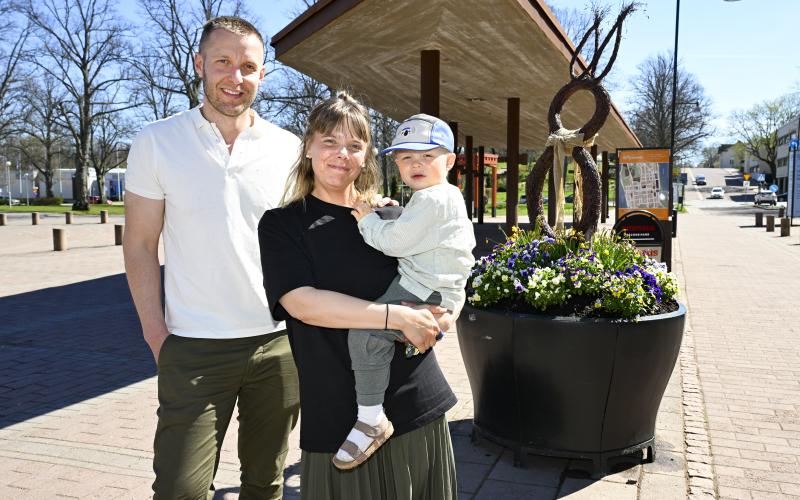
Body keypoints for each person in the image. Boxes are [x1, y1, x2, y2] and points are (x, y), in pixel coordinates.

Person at [122, 16, 300, 499]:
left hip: (278, 345)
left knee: (264, 485)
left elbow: (317, 234)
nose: (234, 76)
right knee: (180, 489)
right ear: (200, 63)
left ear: (262, 74)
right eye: (222, 61)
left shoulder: (290, 149)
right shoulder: (157, 141)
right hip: (194, 347)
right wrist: (155, 333)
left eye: (248, 65)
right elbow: (139, 244)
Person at [258, 92, 458, 499]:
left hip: (414, 405)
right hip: (337, 417)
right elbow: (303, 304)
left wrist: (447, 313)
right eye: (329, 141)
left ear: (366, 156)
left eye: (354, 145)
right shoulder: (283, 225)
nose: (341, 154)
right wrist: (395, 317)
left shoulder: (389, 217)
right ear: (309, 146)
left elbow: (445, 269)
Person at [335, 114, 475, 469]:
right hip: (433, 289)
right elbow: (417, 231)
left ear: (450, 161)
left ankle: (371, 419)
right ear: (396, 163)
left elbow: (396, 242)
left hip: (424, 292)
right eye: (406, 157)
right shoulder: (441, 196)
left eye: (427, 156)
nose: (416, 164)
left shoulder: (432, 199)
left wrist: (366, 217)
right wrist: (391, 213)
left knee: (365, 334)